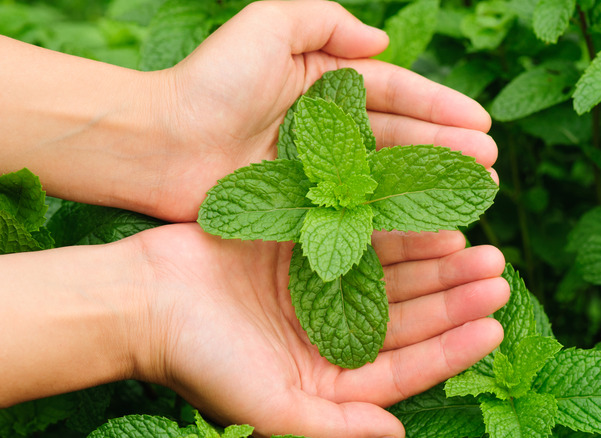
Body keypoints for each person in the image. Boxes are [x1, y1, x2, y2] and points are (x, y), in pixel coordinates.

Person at [0, 1, 509, 437]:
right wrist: (148, 310)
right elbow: (266, 218)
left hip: (338, 204)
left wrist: (166, 124)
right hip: (327, 202)